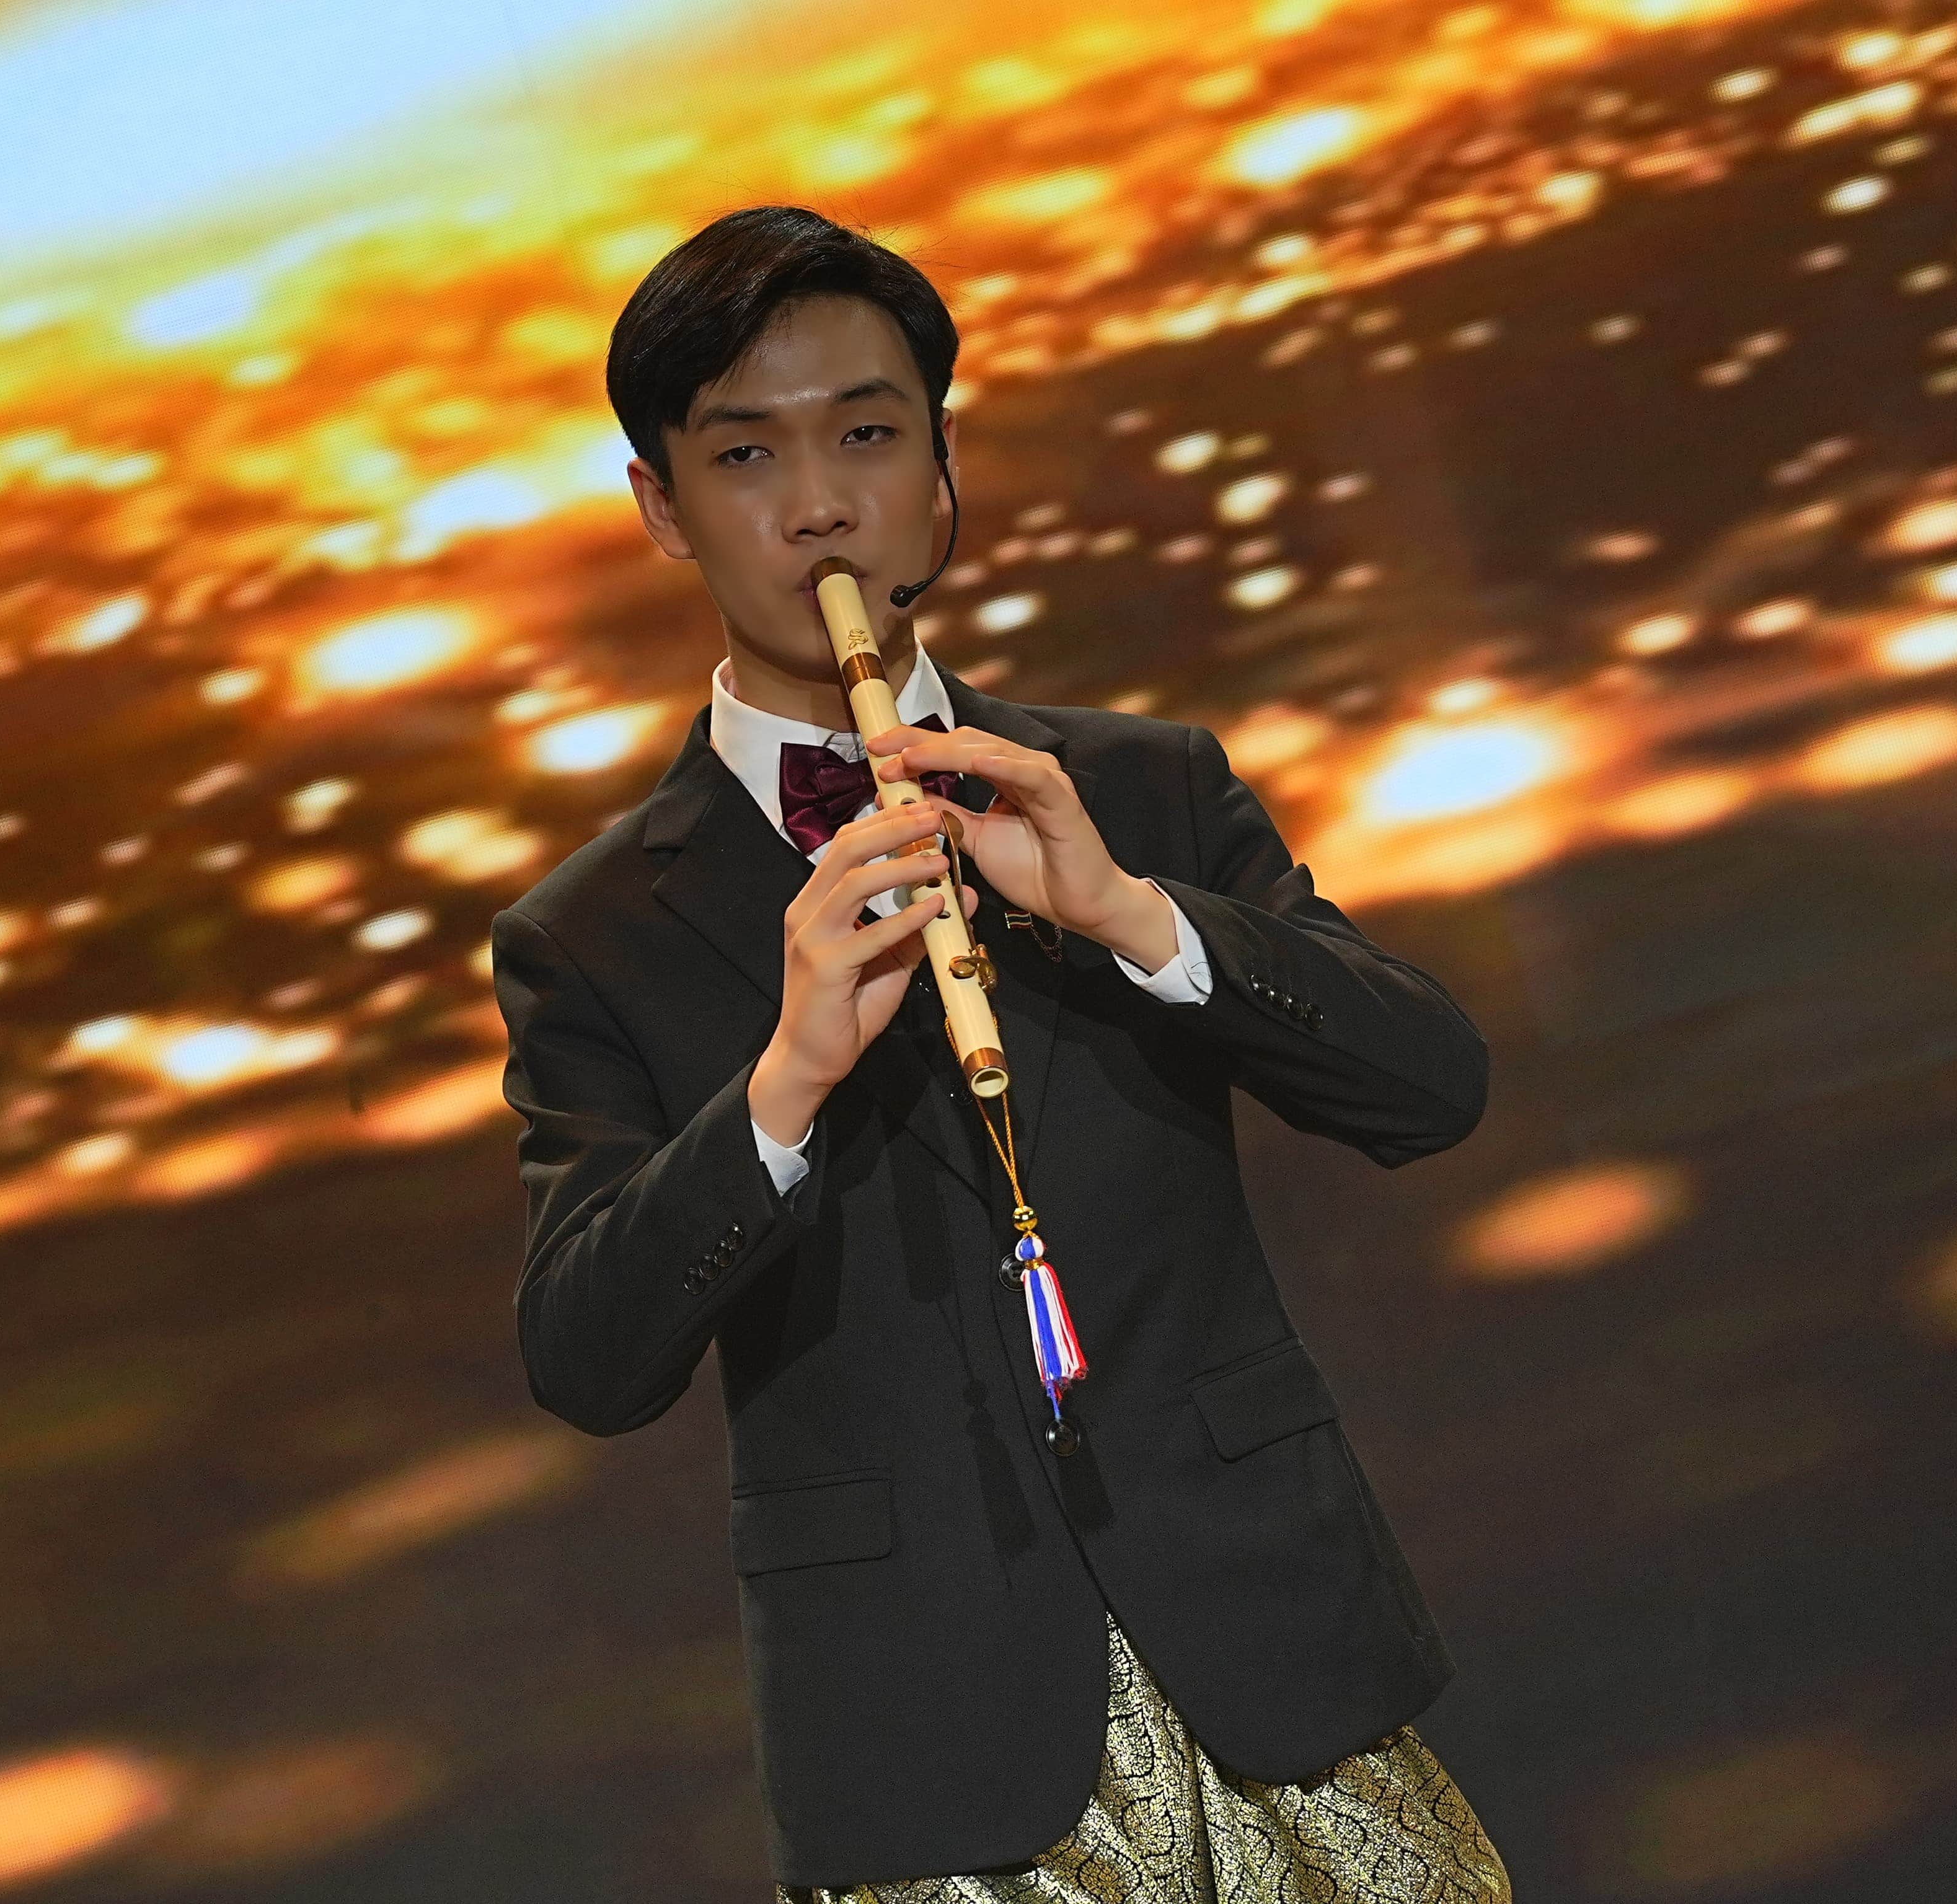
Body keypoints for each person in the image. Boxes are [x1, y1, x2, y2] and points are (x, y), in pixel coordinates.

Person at [490, 204, 1513, 1900]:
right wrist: (782, 1085)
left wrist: (1132, 916)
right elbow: (588, 1358)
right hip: (928, 1744)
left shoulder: (1145, 787)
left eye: (868, 437)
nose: (819, 504)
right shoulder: (592, 932)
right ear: (661, 507)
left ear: (942, 468)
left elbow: (1432, 1087)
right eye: (744, 455)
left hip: (1277, 1659)